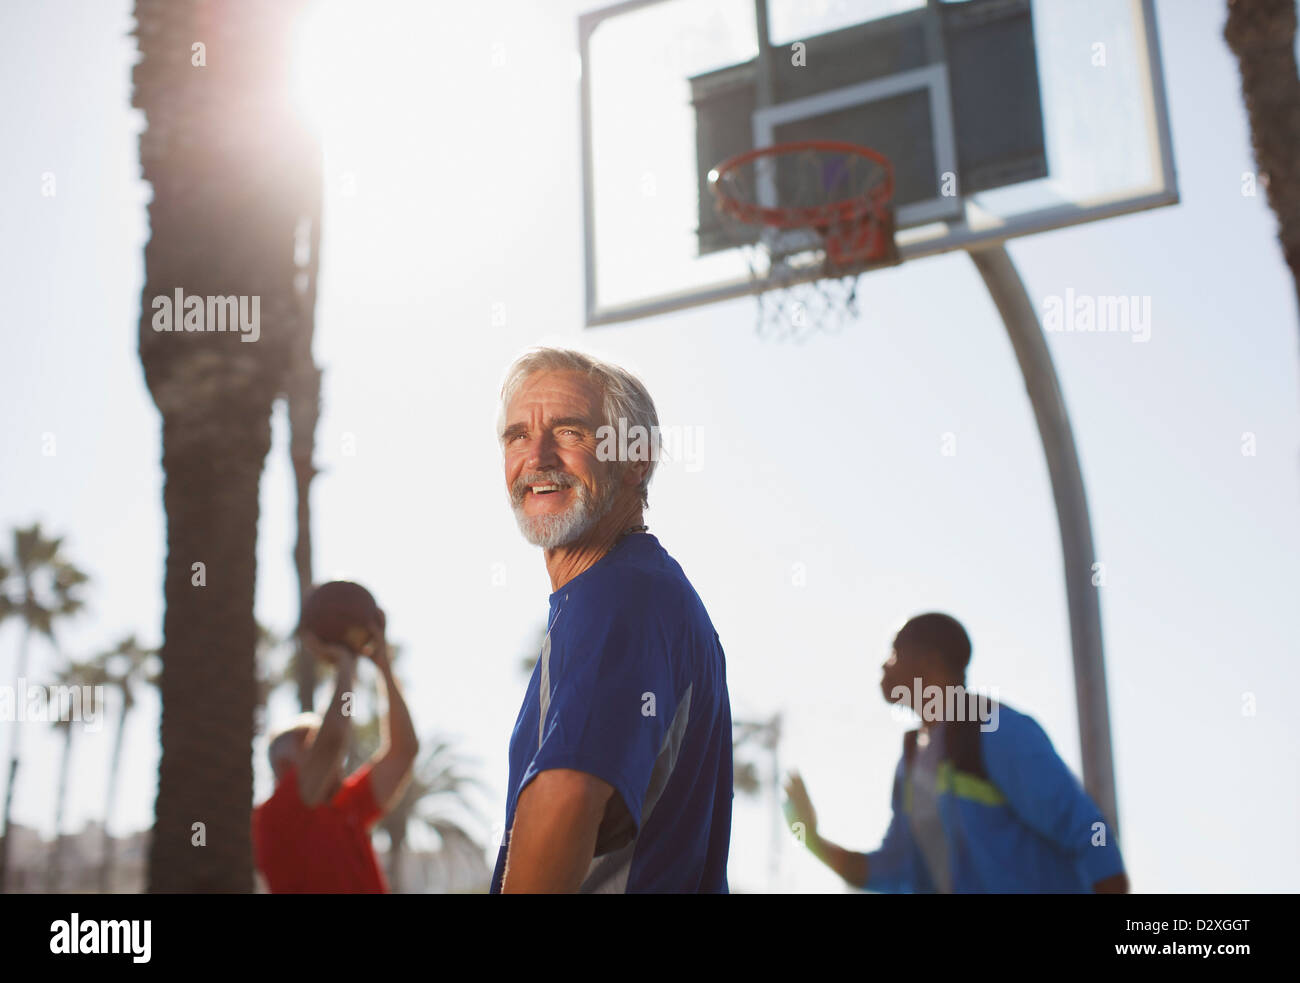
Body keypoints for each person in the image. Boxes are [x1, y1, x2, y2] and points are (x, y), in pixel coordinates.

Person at [491, 347, 733, 893]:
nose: (538, 457)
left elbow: (566, 796)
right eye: (517, 437)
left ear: (636, 460)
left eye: (571, 432)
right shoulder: (628, 597)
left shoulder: (623, 595)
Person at [784, 612, 1129, 893]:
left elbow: (1089, 833)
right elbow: (890, 869)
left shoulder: (997, 730)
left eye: (894, 652)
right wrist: (812, 839)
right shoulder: (910, 762)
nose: (884, 666)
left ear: (930, 661)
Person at [252, 618, 418, 893]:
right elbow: (331, 741)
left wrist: (383, 667)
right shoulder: (274, 818)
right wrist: (345, 663)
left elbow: (404, 752)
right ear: (284, 765)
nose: (334, 760)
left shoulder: (346, 805)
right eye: (310, 746)